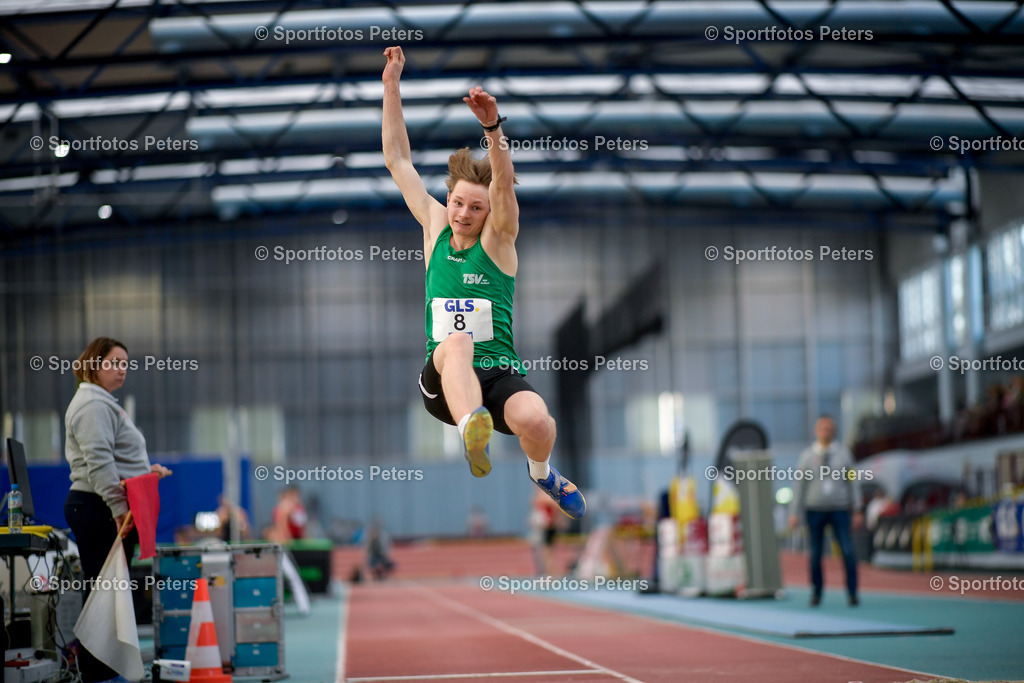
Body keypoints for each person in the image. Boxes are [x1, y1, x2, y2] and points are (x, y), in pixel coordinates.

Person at [381, 45, 585, 519]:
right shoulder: (434, 226)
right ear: (447, 199)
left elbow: (503, 188)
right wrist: (392, 85)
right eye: (458, 203)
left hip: (497, 373)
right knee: (456, 342)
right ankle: (473, 430)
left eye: (476, 207)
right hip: (444, 382)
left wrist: (493, 130)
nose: (464, 214)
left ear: (489, 211)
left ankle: (541, 473)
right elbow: (397, 159)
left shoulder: (499, 242)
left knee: (538, 420)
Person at [63, 337, 172, 683]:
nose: (122, 368)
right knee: (104, 593)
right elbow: (99, 464)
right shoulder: (92, 405)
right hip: (99, 508)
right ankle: (99, 673)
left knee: (110, 591)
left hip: (104, 506)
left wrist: (145, 473)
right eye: (115, 362)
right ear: (95, 364)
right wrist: (118, 509)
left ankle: (104, 669)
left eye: (126, 362)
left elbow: (113, 461)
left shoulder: (102, 403)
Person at [788, 415, 863, 606]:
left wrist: (857, 509)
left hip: (839, 510)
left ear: (834, 430)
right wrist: (794, 512)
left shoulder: (844, 454)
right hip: (814, 511)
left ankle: (852, 592)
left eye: (829, 428)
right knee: (815, 554)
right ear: (816, 430)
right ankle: (816, 592)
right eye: (822, 428)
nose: (826, 431)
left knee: (847, 551)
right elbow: (799, 485)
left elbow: (853, 481)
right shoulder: (807, 456)